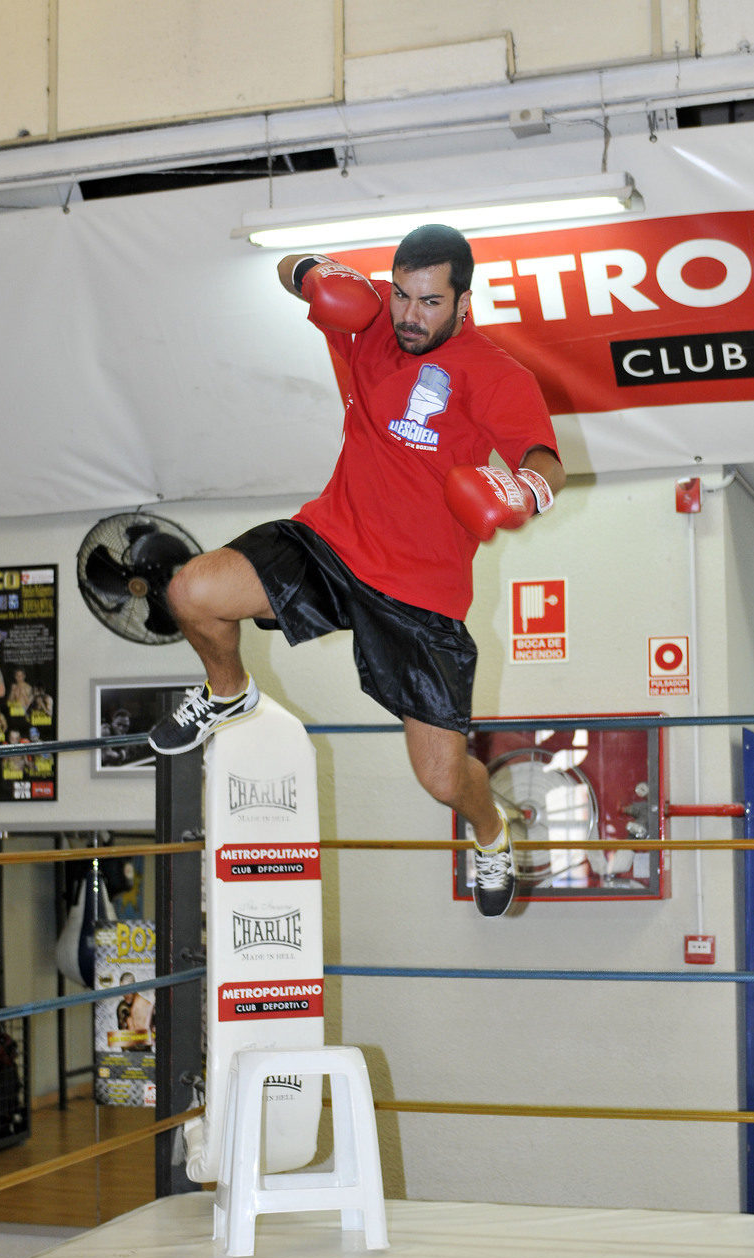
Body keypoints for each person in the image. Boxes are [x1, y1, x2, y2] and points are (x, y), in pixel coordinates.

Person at [149, 224, 564, 916]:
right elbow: (287, 270)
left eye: (430, 303)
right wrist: (310, 269)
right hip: (331, 541)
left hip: (420, 593)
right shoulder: (369, 316)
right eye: (402, 294)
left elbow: (546, 461)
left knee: (438, 778)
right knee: (191, 590)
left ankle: (491, 829)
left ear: (464, 301)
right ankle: (228, 692)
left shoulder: (496, 374)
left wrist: (524, 490)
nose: (409, 315)